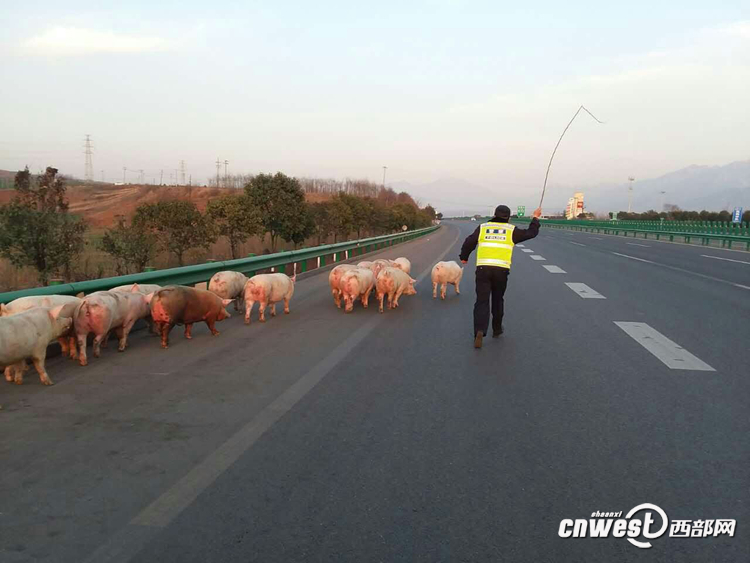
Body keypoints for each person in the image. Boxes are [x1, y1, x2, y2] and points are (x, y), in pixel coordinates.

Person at [459, 205, 542, 349]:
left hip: (483, 269)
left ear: (494, 215)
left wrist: (464, 257)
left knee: (482, 301)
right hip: (501, 271)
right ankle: (497, 329)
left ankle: (479, 330)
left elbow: (469, 242)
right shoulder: (511, 231)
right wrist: (535, 217)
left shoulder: (483, 227)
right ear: (508, 217)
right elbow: (531, 233)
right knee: (498, 300)